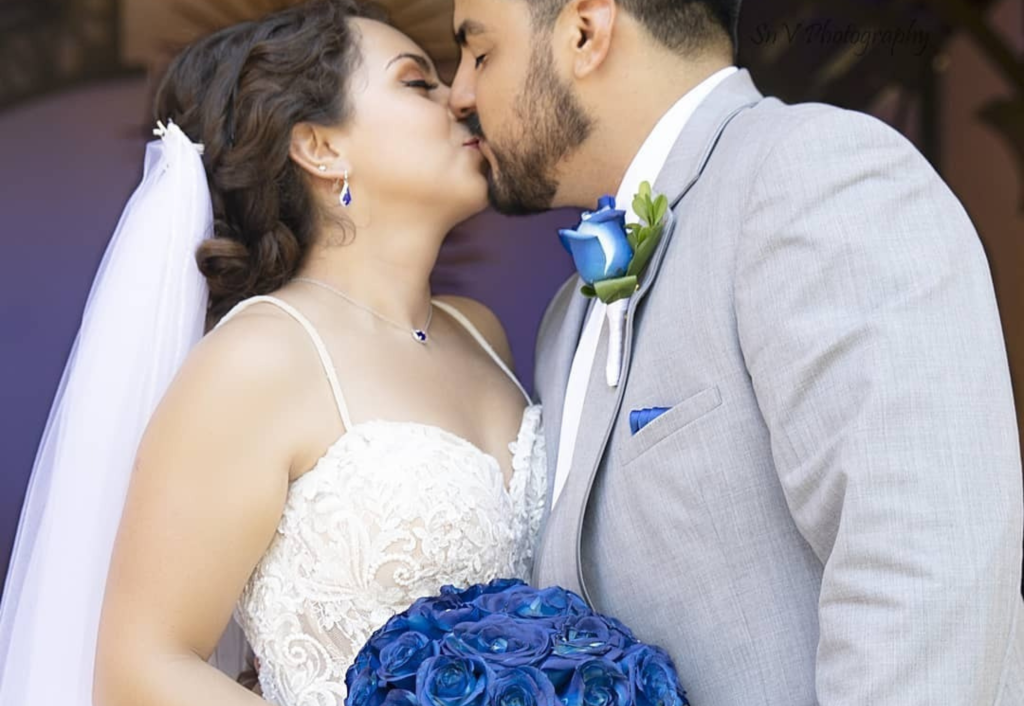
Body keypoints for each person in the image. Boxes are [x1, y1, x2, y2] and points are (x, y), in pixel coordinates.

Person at [447, 0, 1024, 702]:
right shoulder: (567, 316)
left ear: (585, 31)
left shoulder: (817, 174)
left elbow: (924, 576)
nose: (461, 93)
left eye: (479, 53)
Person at [0, 2, 547, 705]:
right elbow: (142, 665)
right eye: (419, 83)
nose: (462, 100)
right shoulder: (261, 358)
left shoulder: (481, 333)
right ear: (321, 148)